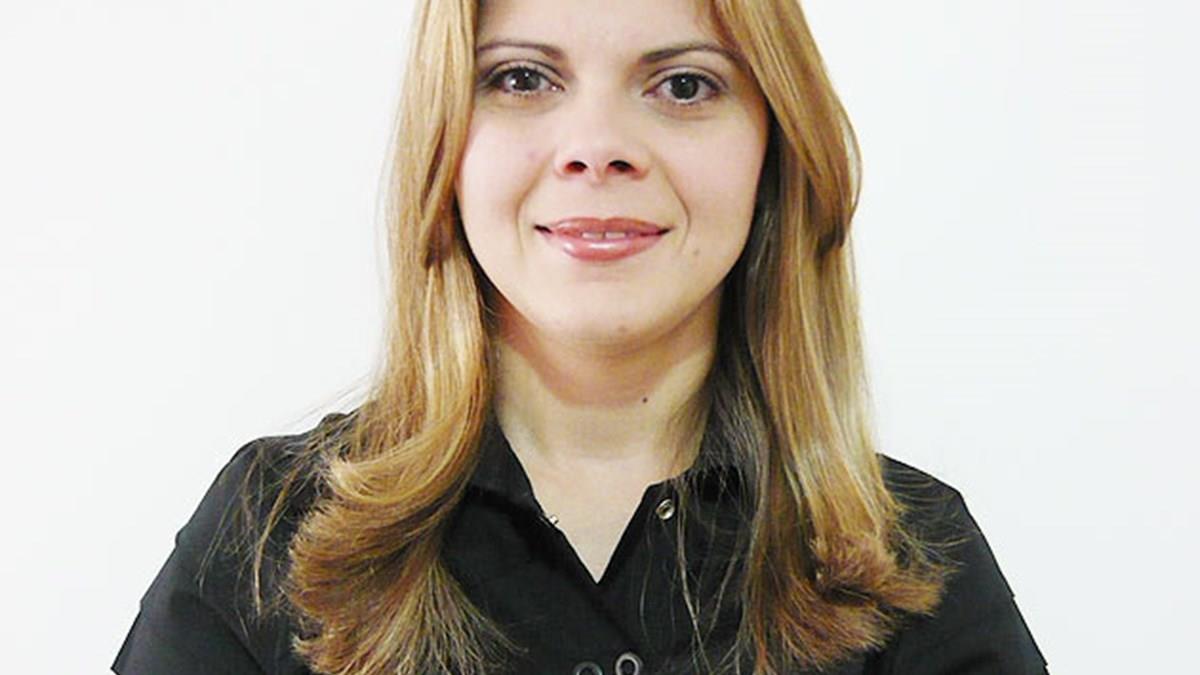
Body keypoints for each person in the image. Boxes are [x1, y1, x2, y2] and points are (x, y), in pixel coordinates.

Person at [113, 0, 1048, 673]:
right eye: (522, 78)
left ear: (775, 147)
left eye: (684, 84)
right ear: (446, 139)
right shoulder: (269, 532)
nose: (597, 144)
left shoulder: (917, 560)